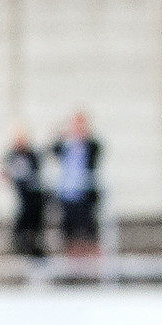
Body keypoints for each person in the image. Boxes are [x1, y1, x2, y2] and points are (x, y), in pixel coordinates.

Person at [51, 110, 103, 257]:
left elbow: (97, 150)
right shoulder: (66, 146)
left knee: (89, 231)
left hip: (85, 195)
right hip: (68, 195)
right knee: (69, 232)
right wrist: (64, 134)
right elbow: (53, 149)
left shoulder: (91, 145)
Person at [4, 126, 48, 261]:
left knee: (34, 221)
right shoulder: (12, 155)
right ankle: (23, 246)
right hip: (25, 197)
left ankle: (33, 248)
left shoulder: (32, 154)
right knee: (24, 220)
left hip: (34, 197)